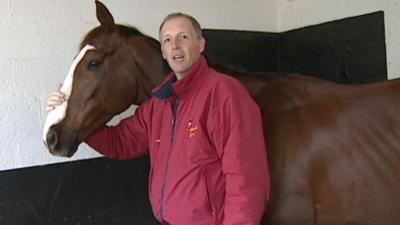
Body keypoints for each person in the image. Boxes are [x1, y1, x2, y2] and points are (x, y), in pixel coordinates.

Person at [48, 12, 270, 225]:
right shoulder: (159, 104)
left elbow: (246, 180)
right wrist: (69, 116)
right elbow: (120, 142)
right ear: (163, 51)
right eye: (167, 40)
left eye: (183, 37)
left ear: (200, 45)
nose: (175, 45)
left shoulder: (224, 94)